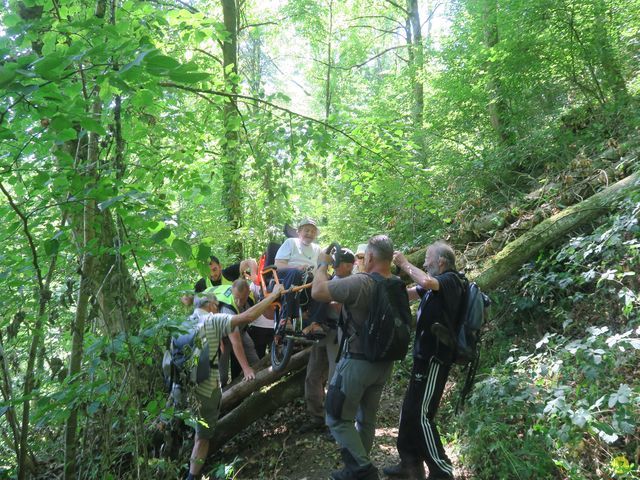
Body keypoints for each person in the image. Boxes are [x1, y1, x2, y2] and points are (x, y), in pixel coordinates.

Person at [312, 235, 406, 480]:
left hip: (357, 363)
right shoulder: (395, 282)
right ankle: (355, 470)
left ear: (371, 257)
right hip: (384, 364)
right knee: (365, 419)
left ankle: (363, 470)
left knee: (335, 417)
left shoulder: (360, 282)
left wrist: (322, 264)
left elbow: (318, 291)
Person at [383, 242, 467, 480]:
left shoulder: (451, 280)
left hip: (435, 359)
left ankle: (442, 470)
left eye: (428, 258)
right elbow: (407, 294)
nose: (425, 263)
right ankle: (409, 465)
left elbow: (427, 282)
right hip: (423, 357)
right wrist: (384, 282)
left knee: (421, 415)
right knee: (409, 411)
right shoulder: (432, 285)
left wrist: (404, 264)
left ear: (441, 261)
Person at [185, 284, 283, 480]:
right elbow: (247, 317)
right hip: (204, 389)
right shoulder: (214, 319)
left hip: (182, 388)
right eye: (215, 305)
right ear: (212, 305)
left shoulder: (182, 323)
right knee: (203, 437)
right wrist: (273, 295)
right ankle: (192, 475)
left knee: (194, 428)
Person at [303, 248, 355, 430]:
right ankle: (317, 417)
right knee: (313, 376)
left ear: (349, 266)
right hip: (323, 332)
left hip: (339, 335)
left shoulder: (352, 281)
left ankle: (336, 421)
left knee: (335, 377)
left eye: (338, 263)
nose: (334, 265)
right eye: (333, 262)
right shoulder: (334, 279)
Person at [275, 218, 326, 327]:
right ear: (299, 231)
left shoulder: (317, 249)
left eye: (313, 231)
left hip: (309, 280)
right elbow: (278, 265)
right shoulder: (291, 242)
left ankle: (315, 323)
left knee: (326, 281)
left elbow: (322, 268)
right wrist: (297, 268)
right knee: (296, 273)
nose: (310, 233)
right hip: (288, 276)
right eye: (307, 230)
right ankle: (286, 318)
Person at [210, 280, 259, 387]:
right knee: (222, 375)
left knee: (250, 348)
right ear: (232, 291)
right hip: (218, 336)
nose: (238, 302)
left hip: (238, 330)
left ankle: (258, 378)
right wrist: (246, 369)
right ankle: (221, 397)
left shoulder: (252, 297)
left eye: (241, 299)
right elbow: (236, 343)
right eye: (236, 297)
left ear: (248, 293)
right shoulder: (228, 308)